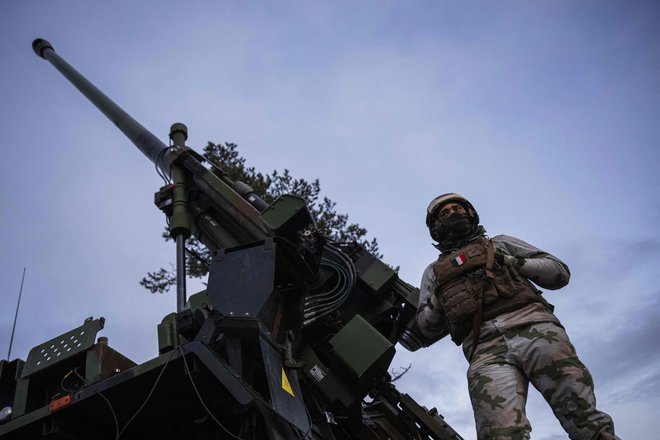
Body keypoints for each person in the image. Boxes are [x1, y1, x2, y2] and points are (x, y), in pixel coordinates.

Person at [416, 193, 618, 440]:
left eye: (457, 208)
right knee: (499, 434)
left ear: (470, 213)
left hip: (535, 328)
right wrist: (441, 293)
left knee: (585, 420)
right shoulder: (433, 273)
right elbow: (425, 328)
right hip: (484, 351)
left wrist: (509, 261)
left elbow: (559, 273)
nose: (453, 213)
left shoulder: (499, 244)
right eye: (444, 213)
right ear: (435, 227)